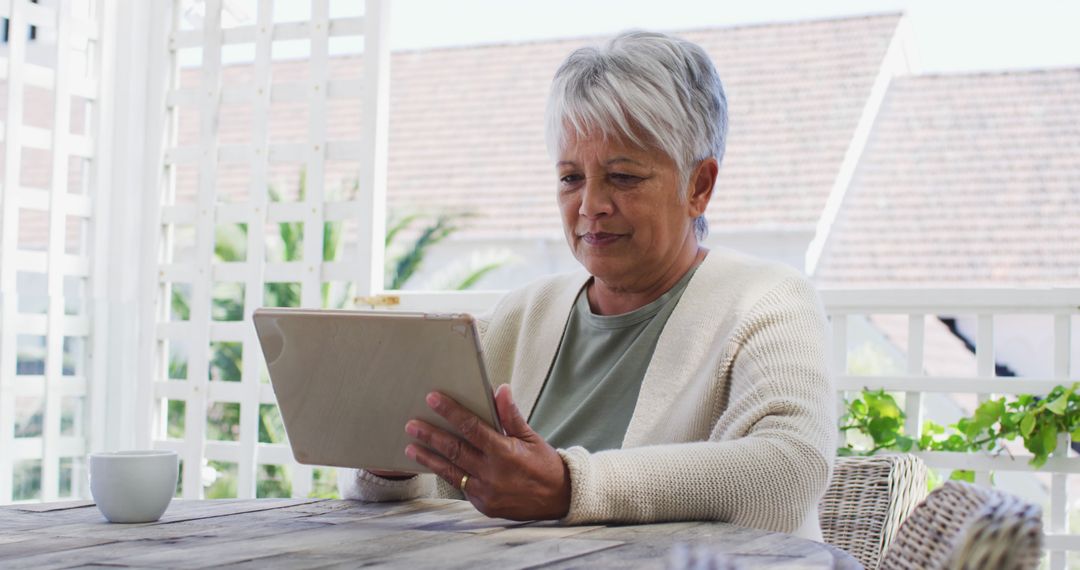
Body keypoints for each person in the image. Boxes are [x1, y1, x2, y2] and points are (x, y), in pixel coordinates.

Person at [339, 30, 835, 540]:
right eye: (571, 178)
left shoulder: (768, 301)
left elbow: (787, 472)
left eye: (623, 177)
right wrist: (394, 468)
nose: (589, 204)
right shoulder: (522, 315)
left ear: (699, 186)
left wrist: (568, 488)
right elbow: (444, 492)